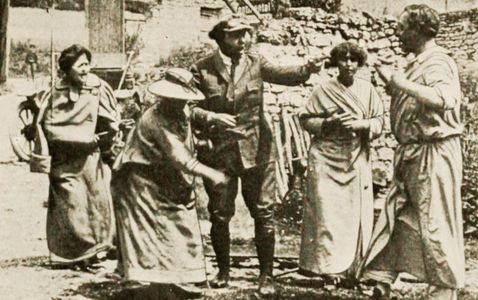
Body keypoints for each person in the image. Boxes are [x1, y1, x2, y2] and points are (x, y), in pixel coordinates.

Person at [190, 15, 323, 295]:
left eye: (246, 34)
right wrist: (211, 116)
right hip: (220, 155)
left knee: (263, 214)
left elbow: (284, 73)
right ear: (221, 38)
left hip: (258, 150)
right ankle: (223, 272)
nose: (244, 40)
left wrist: (307, 68)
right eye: (237, 35)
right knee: (219, 215)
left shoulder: (255, 61)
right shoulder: (201, 69)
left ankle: (266, 276)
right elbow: (187, 107)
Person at [358, 5, 465, 300]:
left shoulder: (439, 61)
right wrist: (391, 82)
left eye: (403, 28)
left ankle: (443, 291)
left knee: (435, 222)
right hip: (411, 152)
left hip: (434, 152)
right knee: (398, 213)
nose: (397, 33)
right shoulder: (418, 63)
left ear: (419, 30)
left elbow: (445, 99)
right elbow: (413, 100)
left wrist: (399, 82)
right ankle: (381, 278)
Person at [112, 68, 230, 297]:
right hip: (140, 179)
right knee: (151, 233)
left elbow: (192, 116)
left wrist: (213, 118)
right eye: (177, 98)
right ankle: (156, 285)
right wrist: (213, 174)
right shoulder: (155, 119)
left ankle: (177, 280)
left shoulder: (180, 108)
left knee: (180, 226)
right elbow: (180, 158)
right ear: (166, 97)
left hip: (165, 178)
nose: (182, 102)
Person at [298, 42, 384, 286]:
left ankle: (352, 269)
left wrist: (363, 125)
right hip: (326, 157)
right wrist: (328, 123)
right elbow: (305, 119)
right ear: (336, 63)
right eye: (344, 59)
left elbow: (379, 121)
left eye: (353, 60)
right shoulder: (323, 90)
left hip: (355, 157)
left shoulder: (368, 91)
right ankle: (328, 269)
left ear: (359, 63)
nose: (349, 64)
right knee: (328, 213)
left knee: (354, 213)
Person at [30, 44, 120, 270]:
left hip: (90, 160)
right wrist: (81, 139)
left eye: (87, 64)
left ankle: (92, 253)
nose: (86, 69)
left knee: (96, 204)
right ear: (67, 69)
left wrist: (108, 134)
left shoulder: (98, 88)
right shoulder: (55, 92)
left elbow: (110, 120)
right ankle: (76, 256)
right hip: (65, 161)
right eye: (80, 65)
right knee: (72, 207)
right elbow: (48, 128)